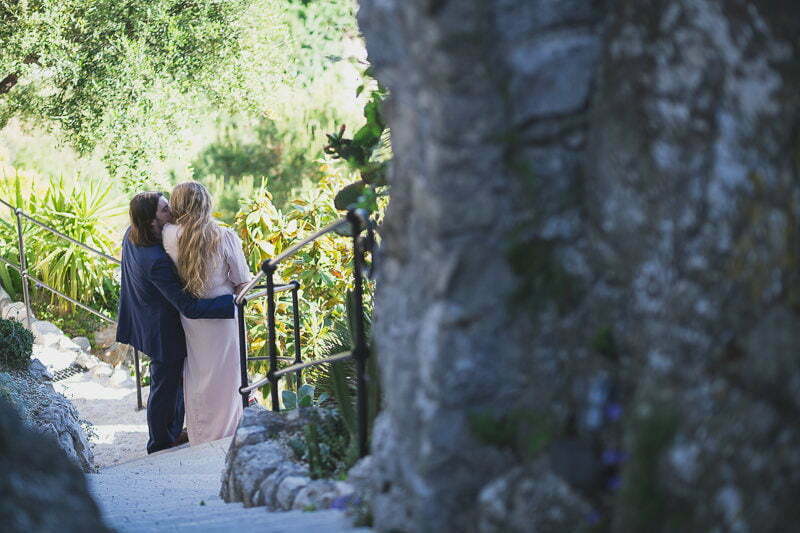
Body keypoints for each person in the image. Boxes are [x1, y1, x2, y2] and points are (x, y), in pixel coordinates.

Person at [116, 192, 236, 454]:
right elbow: (189, 307)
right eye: (164, 210)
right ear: (150, 221)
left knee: (169, 382)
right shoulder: (156, 261)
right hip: (161, 329)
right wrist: (233, 303)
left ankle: (172, 432)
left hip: (140, 318)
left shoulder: (131, 233)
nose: (172, 211)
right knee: (165, 386)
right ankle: (159, 444)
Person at [162, 181, 252, 445]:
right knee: (228, 377)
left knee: (199, 375)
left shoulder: (168, 235)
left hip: (191, 319)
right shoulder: (224, 236)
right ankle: (227, 435)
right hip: (223, 318)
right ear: (206, 203)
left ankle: (201, 437)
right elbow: (242, 281)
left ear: (177, 205)